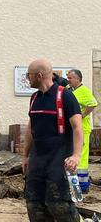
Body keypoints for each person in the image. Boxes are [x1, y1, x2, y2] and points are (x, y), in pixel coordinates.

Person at [23, 59, 83, 222]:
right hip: (37, 161)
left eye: (29, 75)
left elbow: (78, 128)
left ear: (39, 76)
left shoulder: (66, 96)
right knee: (34, 205)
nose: (28, 78)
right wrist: (25, 156)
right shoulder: (34, 98)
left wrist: (76, 156)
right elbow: (31, 128)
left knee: (59, 205)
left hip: (59, 160)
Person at [67, 68, 98, 193]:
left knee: (82, 157)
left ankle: (82, 185)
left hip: (83, 130)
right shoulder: (73, 90)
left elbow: (93, 103)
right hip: (75, 129)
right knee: (74, 154)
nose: (68, 80)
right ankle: (75, 183)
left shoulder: (83, 91)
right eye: (67, 77)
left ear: (77, 79)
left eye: (70, 78)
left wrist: (83, 115)